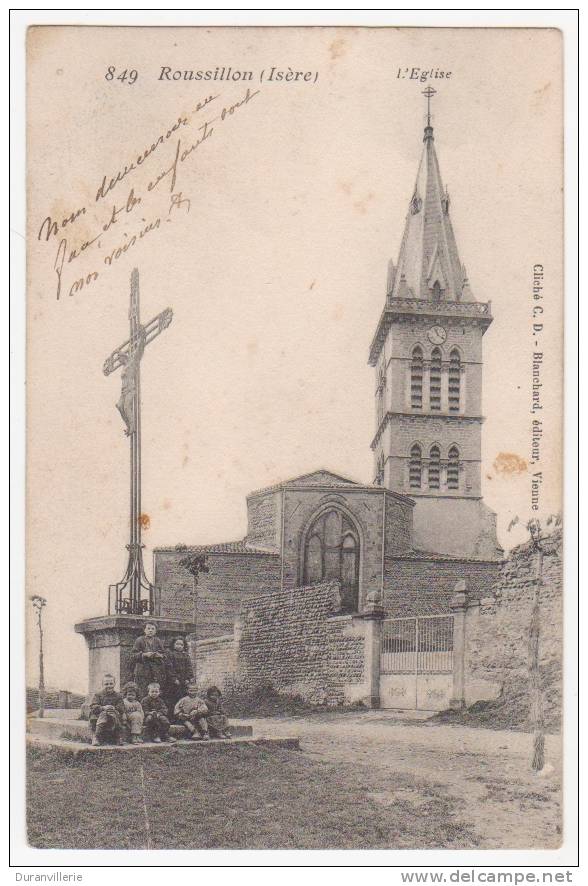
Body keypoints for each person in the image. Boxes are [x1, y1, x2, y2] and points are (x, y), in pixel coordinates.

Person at [131, 622, 166, 700]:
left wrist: (159, 655)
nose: (150, 630)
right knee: (142, 691)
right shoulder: (139, 640)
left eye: (153, 629)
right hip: (142, 670)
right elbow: (133, 655)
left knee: (154, 691)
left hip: (155, 671)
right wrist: (144, 654)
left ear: (155, 631)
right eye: (148, 628)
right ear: (144, 630)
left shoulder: (157, 641)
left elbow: (164, 654)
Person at [89, 674, 126, 746]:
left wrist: (114, 707)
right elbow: (93, 706)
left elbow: (121, 706)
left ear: (114, 684)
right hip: (100, 715)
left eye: (111, 684)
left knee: (114, 716)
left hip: (113, 714)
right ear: (102, 684)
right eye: (106, 684)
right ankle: (96, 737)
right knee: (104, 714)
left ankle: (118, 737)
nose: (109, 686)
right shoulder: (98, 695)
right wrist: (103, 708)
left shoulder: (118, 695)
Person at [164, 636, 194, 715]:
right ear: (173, 645)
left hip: (183, 680)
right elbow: (169, 667)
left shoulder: (186, 656)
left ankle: (182, 715)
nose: (179, 646)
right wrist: (174, 679)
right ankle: (172, 716)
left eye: (181, 645)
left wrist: (189, 677)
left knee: (183, 698)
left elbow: (189, 667)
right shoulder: (170, 654)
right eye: (177, 644)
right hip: (173, 682)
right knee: (173, 698)